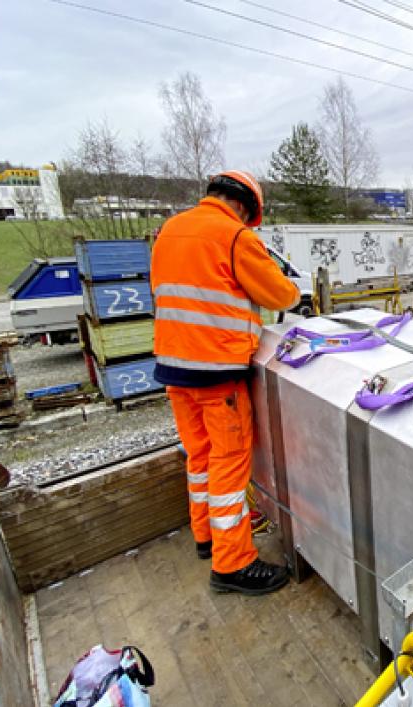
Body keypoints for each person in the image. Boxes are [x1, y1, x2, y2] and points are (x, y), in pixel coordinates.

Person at [151, 170, 299, 595]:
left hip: (174, 368)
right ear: (245, 207)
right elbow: (279, 295)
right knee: (229, 465)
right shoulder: (235, 236)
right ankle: (232, 564)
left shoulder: (169, 231)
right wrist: (291, 291)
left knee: (199, 458)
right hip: (216, 372)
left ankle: (207, 538)